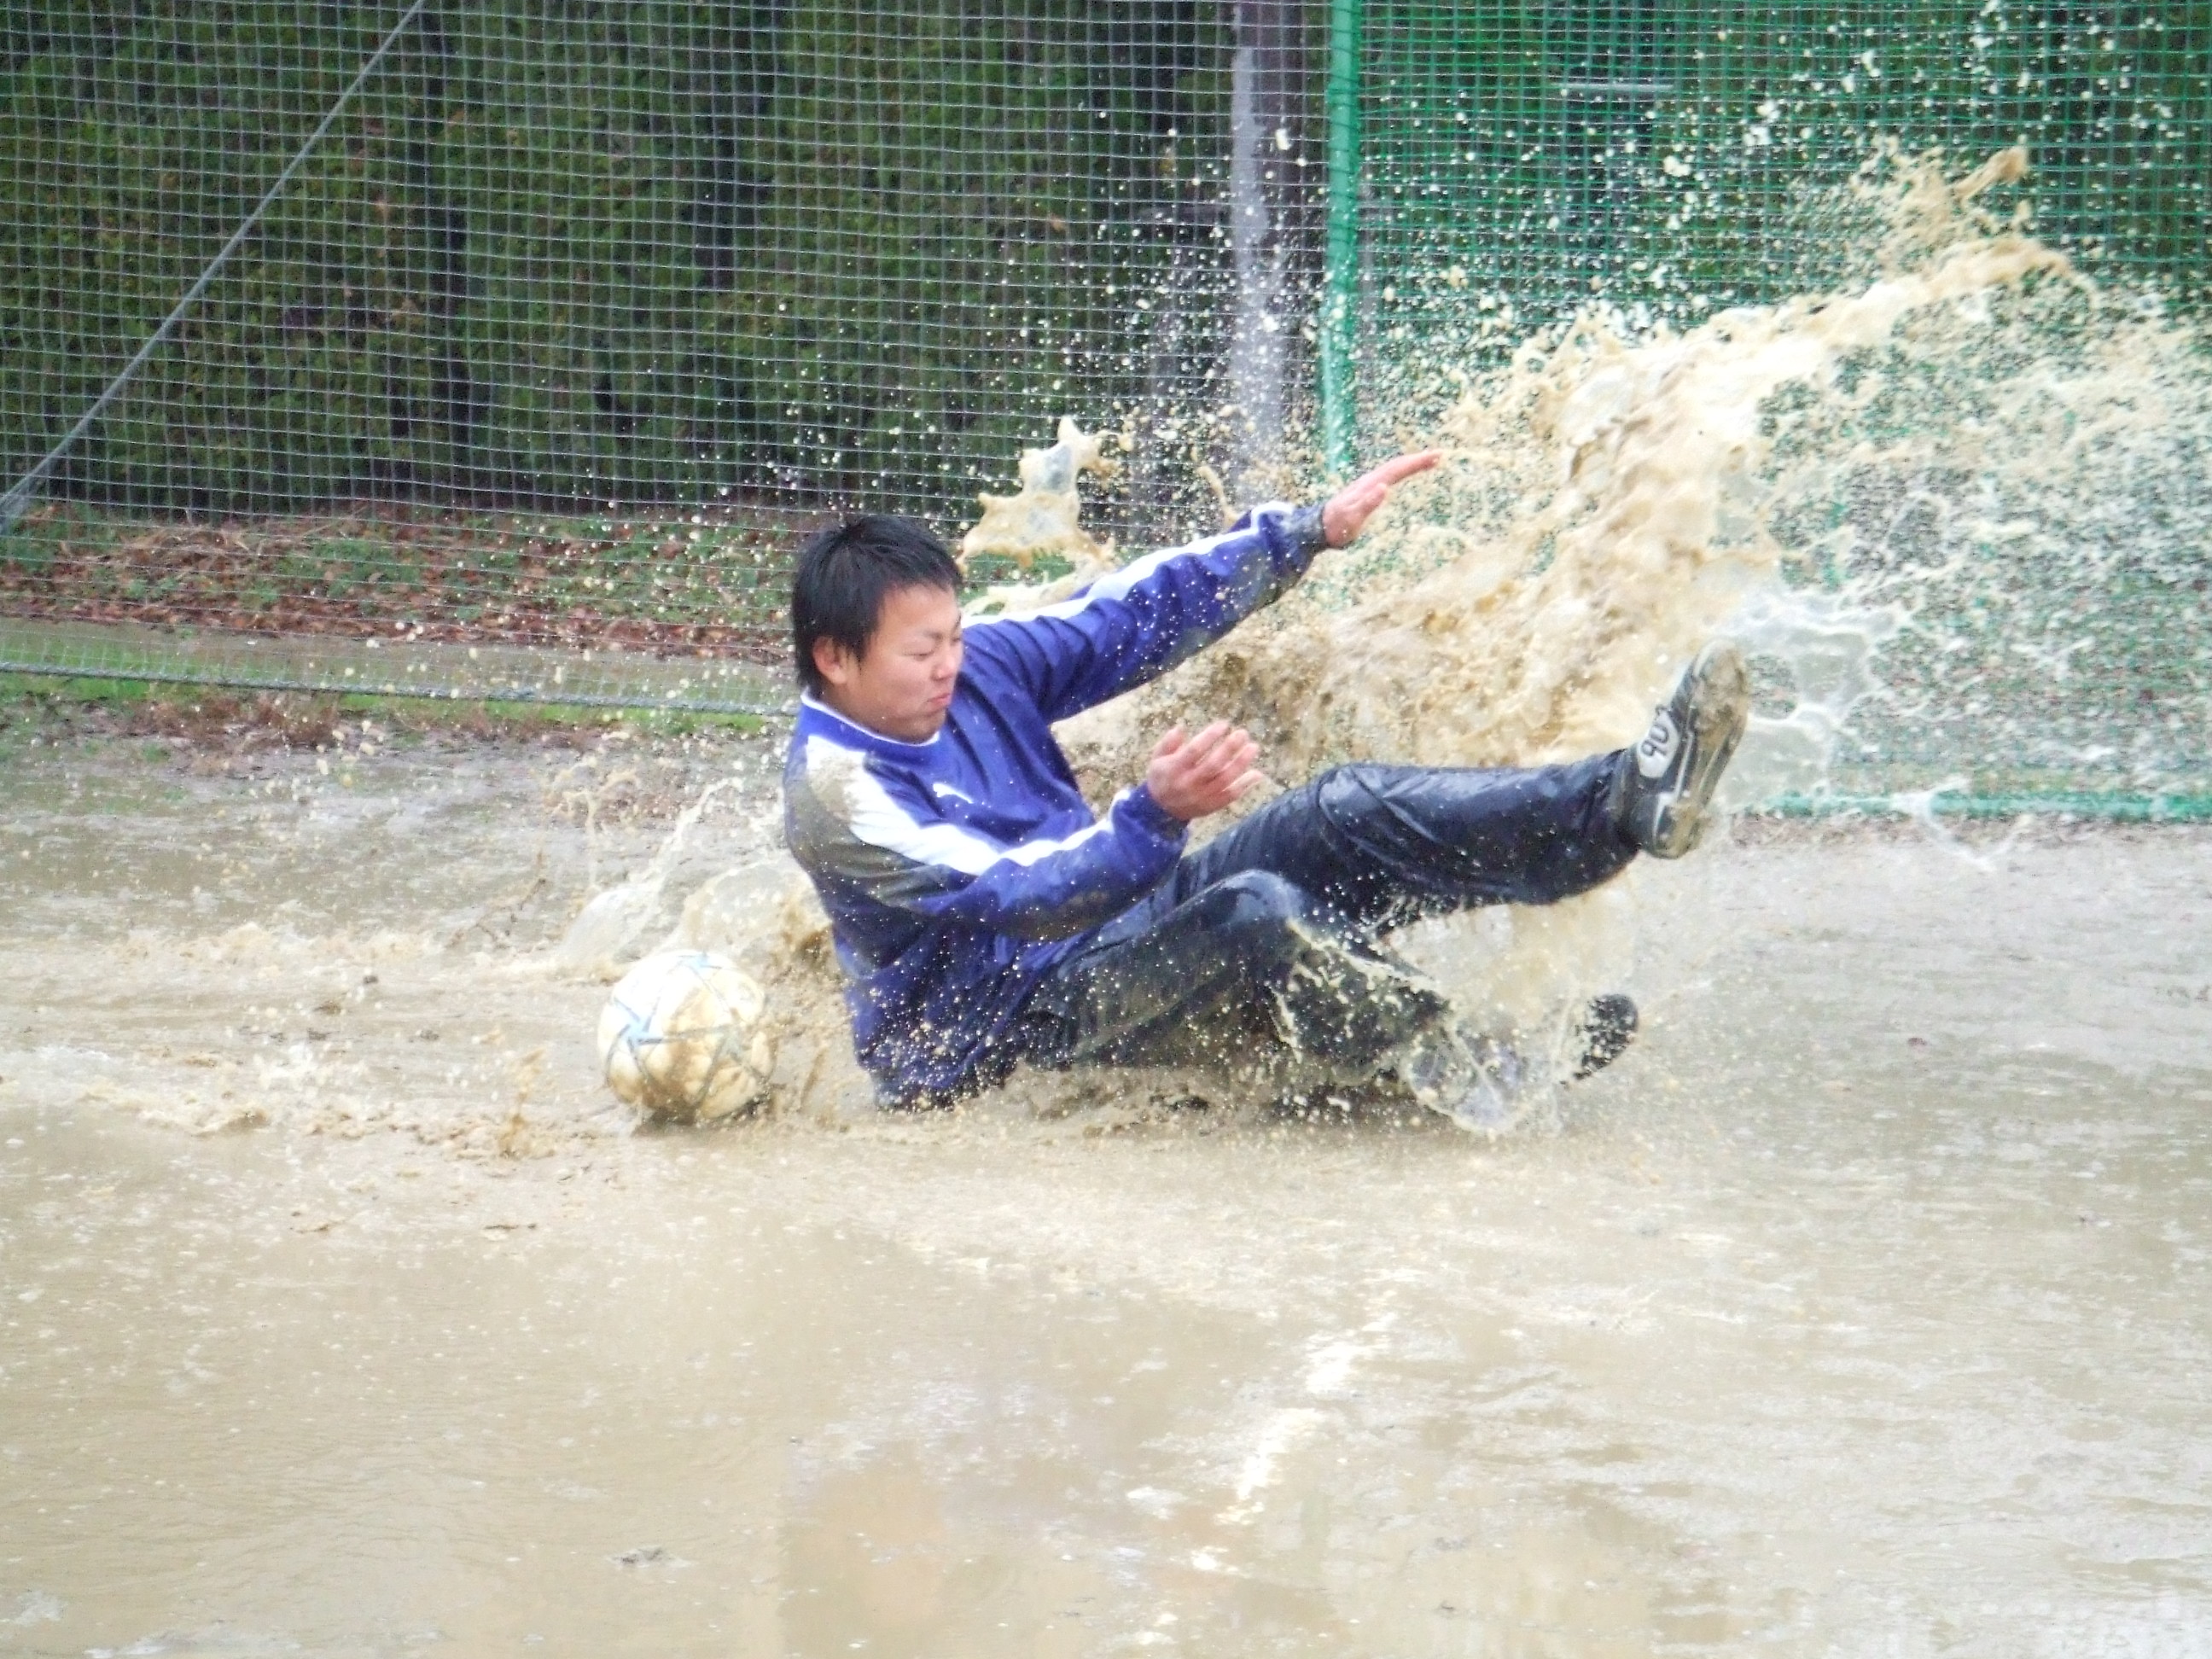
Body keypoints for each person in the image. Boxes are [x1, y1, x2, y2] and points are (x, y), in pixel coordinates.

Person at [780, 454, 1751, 1127]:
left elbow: (1129, 613)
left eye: (955, 637)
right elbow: (1015, 894)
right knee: (1258, 912)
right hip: (994, 1036)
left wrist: (1305, 534)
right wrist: (1153, 814)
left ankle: (1620, 806)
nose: (952, 665)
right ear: (835, 657)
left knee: (1339, 811)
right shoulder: (836, 797)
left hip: (1108, 933)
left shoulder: (975, 663)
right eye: (923, 650)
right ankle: (1460, 1057)